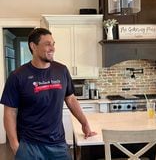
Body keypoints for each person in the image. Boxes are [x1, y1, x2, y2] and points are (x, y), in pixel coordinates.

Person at [0, 28, 97, 160]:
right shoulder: (17, 76)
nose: (52, 48)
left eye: (53, 44)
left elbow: (71, 99)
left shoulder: (62, 70)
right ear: (33, 46)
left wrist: (84, 123)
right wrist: (15, 146)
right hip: (29, 146)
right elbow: (9, 113)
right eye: (47, 44)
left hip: (58, 144)